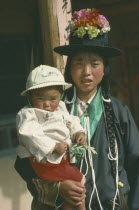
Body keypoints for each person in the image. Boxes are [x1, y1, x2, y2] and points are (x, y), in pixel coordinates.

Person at [14, 8, 139, 210]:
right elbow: (23, 164)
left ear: (104, 69)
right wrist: (57, 187)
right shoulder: (47, 110)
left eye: (94, 63)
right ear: (69, 68)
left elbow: (136, 163)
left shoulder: (118, 111)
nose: (87, 72)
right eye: (79, 63)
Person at [16, 65, 87, 210]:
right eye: (40, 98)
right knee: (78, 181)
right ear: (30, 97)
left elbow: (71, 121)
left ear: (60, 95)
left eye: (53, 99)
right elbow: (29, 134)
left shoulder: (60, 108)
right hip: (42, 159)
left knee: (75, 186)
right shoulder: (28, 114)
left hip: (61, 158)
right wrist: (52, 147)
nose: (47, 104)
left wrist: (78, 133)